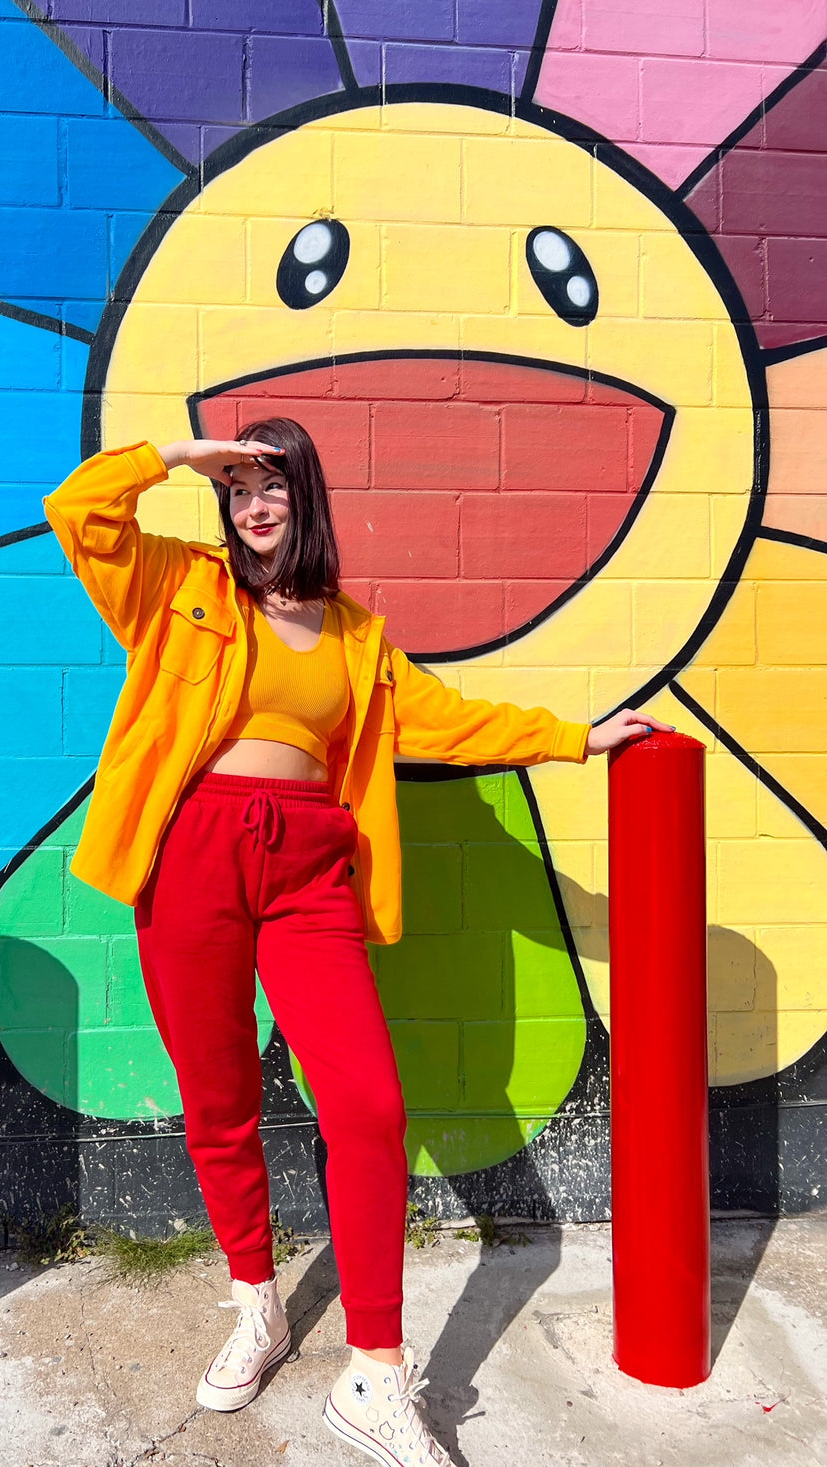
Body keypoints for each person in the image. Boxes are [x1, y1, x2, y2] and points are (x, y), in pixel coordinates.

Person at [43, 420, 669, 1466]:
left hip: (308, 873)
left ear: (306, 498)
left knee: (370, 1103)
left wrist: (574, 738)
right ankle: (257, 1303)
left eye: (269, 483)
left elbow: (454, 722)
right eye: (236, 486)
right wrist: (181, 454)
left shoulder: (355, 637)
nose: (251, 503)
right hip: (193, 855)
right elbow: (78, 511)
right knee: (220, 1096)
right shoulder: (174, 585)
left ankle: (376, 1371)